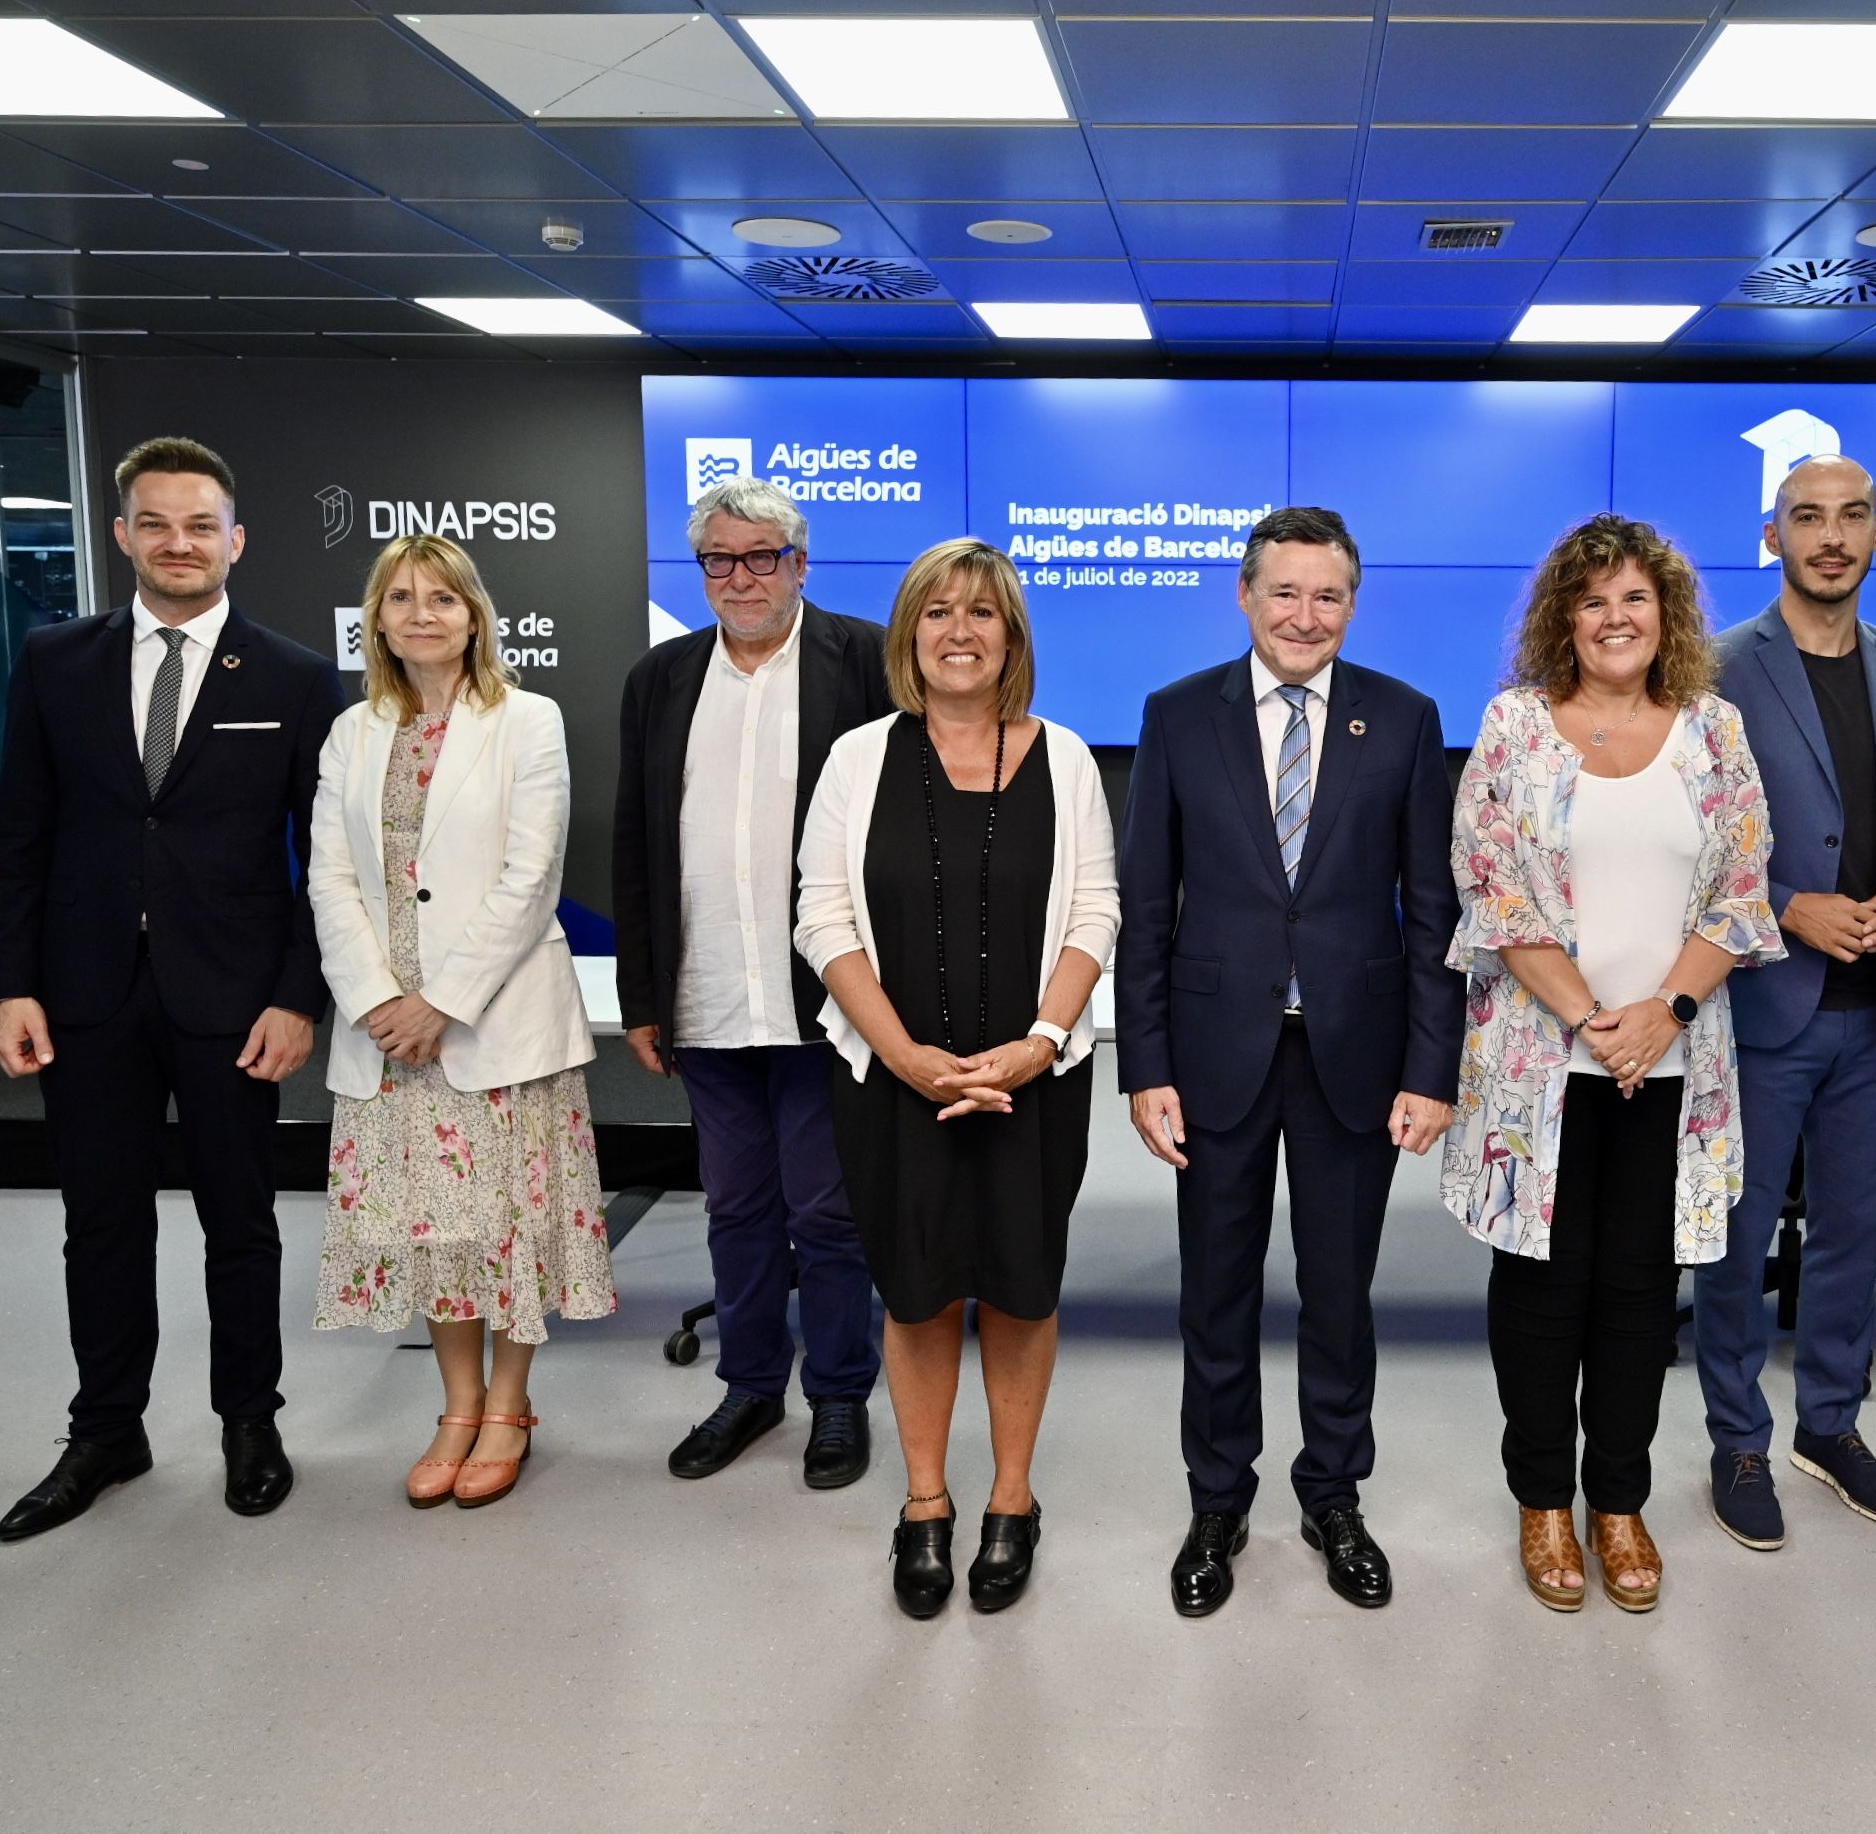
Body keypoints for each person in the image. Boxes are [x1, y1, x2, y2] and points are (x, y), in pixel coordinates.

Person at [0, 435, 345, 1540]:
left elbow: (322, 857)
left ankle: (250, 1423)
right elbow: (20, 833)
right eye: (156, 522)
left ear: (236, 539)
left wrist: (298, 995)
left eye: (200, 524)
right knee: (100, 1221)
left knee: (239, 1221)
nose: (178, 543)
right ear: (121, 534)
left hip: (234, 1000)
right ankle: (106, 1429)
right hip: (85, 991)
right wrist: (12, 984)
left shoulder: (291, 675)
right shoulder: (56, 660)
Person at [1117, 506, 1460, 1619]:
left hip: (1354, 1057)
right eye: (1286, 592)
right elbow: (1144, 906)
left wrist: (1432, 1066)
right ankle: (1217, 1500)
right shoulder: (1177, 717)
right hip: (1214, 1056)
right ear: (1245, 593)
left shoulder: (1404, 721)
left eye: (1329, 596)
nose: (1306, 614)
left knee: (1338, 1295)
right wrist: (1144, 1064)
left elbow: (1432, 910)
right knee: (1214, 1293)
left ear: (1352, 604)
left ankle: (1333, 1494)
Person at [1441, 514, 1781, 1614]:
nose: (1615, 618)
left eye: (1635, 598)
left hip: (1677, 1068)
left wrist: (1664, 1012)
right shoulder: (1515, 728)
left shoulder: (1715, 732)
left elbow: (1739, 890)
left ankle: (1618, 1498)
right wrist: (1596, 1020)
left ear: (1667, 613)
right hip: (1541, 1072)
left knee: (1640, 1295)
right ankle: (1543, 1498)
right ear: (1563, 619)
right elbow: (1492, 887)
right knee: (1542, 1290)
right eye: (1593, 601)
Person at [796, 538, 1117, 1618]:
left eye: (983, 612)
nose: (961, 631)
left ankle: (1011, 1500)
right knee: (920, 1289)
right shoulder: (857, 758)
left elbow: (1094, 913)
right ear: (910, 635)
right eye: (938, 612)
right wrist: (904, 1056)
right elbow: (822, 915)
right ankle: (925, 1501)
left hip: (1032, 1078)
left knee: (1022, 1291)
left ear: (1012, 636)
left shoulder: (1065, 758)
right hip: (896, 1080)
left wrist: (1037, 1039)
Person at [307, 535, 611, 1507]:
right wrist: (378, 999)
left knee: (511, 1225)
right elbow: (330, 877)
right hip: (390, 1037)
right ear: (378, 619)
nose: (422, 613)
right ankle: (457, 1404)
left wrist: (445, 1001)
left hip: (496, 1024)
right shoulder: (351, 733)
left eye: (443, 597)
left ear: (476, 615)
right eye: (401, 598)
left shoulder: (526, 720)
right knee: (439, 1232)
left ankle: (510, 1406)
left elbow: (533, 877)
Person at [1695, 455, 1876, 1548]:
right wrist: (1786, 906)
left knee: (1854, 1234)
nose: (1832, 536)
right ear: (1774, 537)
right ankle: (1739, 1441)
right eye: (1808, 517)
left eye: (1852, 516)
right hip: (1764, 1006)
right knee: (1734, 1239)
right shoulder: (1714, 669)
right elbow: (1693, 843)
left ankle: (1833, 1427)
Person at [614, 477, 891, 1488]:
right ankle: (748, 1385)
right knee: (733, 1207)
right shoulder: (661, 678)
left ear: (800, 563)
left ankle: (839, 1395)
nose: (740, 576)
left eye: (761, 555)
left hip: (829, 997)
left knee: (826, 1211)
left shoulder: (862, 659)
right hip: (709, 997)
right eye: (719, 559)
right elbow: (636, 842)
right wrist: (643, 996)